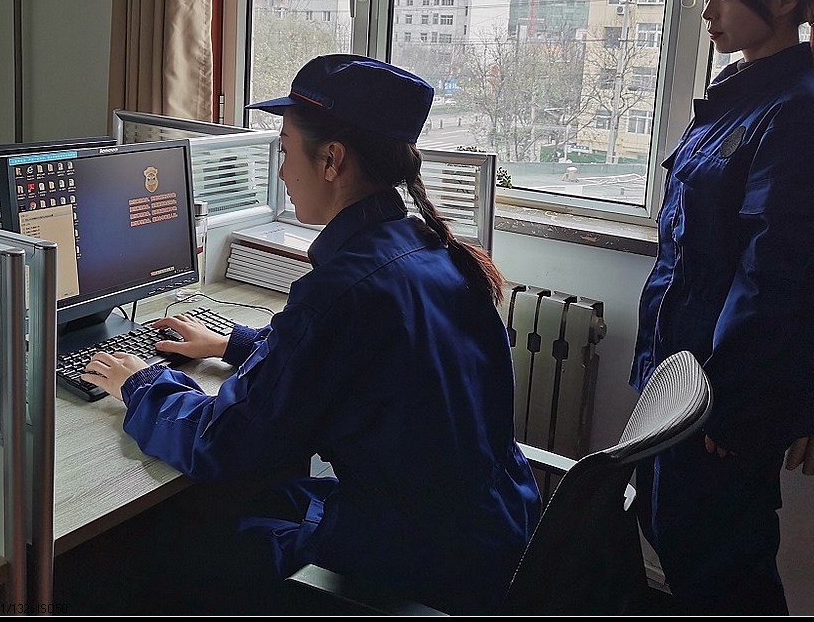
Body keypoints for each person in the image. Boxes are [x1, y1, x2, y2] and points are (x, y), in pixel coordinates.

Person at [81, 54, 541, 615]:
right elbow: (356, 362)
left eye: (284, 148)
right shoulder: (430, 252)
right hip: (493, 531)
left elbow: (222, 445)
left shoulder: (346, 290)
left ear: (331, 159)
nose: (280, 170)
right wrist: (233, 344)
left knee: (165, 541)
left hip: (419, 565)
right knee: (262, 497)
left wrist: (141, 383)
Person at [629, 0, 814, 615]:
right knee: (674, 536)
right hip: (682, 374)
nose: (707, 11)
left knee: (724, 570)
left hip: (724, 395)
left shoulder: (801, 115)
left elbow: (783, 279)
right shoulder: (742, 93)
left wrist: (730, 406)